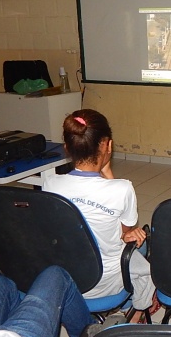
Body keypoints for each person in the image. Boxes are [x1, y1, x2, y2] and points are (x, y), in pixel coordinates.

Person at [43, 109, 157, 315]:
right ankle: (136, 310)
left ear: (67, 147)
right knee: (142, 243)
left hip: (66, 280)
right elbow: (126, 233)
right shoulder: (122, 189)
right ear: (107, 145)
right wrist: (108, 172)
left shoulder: (50, 184)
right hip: (107, 285)